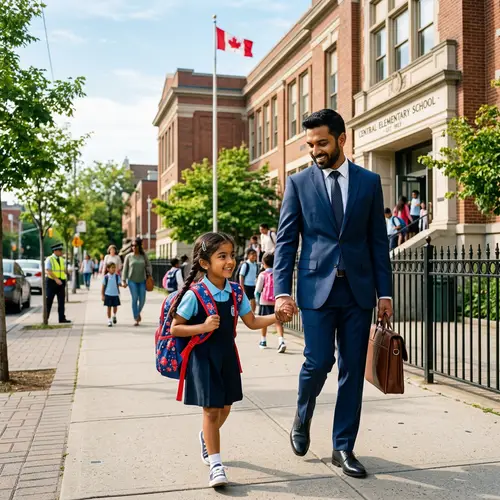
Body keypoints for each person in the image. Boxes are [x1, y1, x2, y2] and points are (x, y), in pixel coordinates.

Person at [273, 109, 392, 479]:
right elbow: (286, 242)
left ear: (342, 139)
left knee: (352, 370)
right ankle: (302, 415)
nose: (315, 150)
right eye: (310, 144)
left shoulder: (369, 182)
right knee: (318, 361)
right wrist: (280, 292)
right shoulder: (298, 184)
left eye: (322, 142)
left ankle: (343, 446)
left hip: (358, 291)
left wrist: (384, 293)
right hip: (315, 290)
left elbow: (377, 242)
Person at [169, 232, 280, 488]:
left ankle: (206, 438)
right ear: (205, 263)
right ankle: (216, 465)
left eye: (231, 255)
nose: (230, 261)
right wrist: (202, 327)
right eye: (222, 256)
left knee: (226, 406)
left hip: (227, 357)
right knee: (210, 409)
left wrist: (277, 317)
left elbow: (252, 322)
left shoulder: (236, 292)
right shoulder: (195, 295)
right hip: (203, 358)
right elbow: (176, 328)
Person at [255, 252, 286, 352]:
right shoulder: (278, 274)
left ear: (263, 263)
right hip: (276, 301)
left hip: (264, 301)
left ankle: (263, 341)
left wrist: (257, 300)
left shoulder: (262, 274)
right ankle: (281, 341)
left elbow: (258, 290)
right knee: (278, 322)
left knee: (264, 321)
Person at [122, 237, 152, 326]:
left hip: (142, 280)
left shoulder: (143, 256)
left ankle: (137, 313)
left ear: (139, 246)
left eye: (135, 245)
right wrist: (123, 280)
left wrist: (149, 274)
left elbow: (149, 265)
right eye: (132, 246)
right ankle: (136, 317)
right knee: (135, 298)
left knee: (142, 299)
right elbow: (125, 269)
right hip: (132, 281)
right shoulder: (128, 256)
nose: (133, 247)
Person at [45, 242, 71, 324]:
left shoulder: (62, 259)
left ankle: (62, 318)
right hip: (51, 282)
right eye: (60, 250)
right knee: (49, 301)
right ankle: (46, 318)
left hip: (61, 283)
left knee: (61, 301)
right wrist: (56, 279)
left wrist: (68, 273)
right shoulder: (49, 259)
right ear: (55, 251)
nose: (61, 252)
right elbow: (48, 270)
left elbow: (63, 269)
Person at [101, 263, 122, 327]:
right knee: (109, 308)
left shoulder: (117, 276)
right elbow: (103, 287)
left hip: (115, 294)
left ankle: (114, 315)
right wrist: (102, 295)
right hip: (108, 294)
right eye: (112, 268)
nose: (113, 269)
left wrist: (123, 285)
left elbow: (119, 284)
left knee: (115, 307)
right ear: (108, 269)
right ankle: (109, 320)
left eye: (114, 267)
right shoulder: (106, 277)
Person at [239, 248, 259, 313]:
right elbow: (241, 275)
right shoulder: (245, 264)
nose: (254, 256)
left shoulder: (256, 265)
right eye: (252, 255)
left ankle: (252, 314)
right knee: (248, 301)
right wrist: (242, 286)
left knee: (252, 300)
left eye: (255, 255)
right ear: (248, 256)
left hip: (253, 285)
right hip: (246, 285)